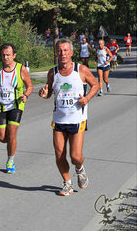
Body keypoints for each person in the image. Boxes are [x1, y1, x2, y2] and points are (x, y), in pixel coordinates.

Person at [38, 38, 99, 196]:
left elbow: (96, 85)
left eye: (66, 50)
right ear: (56, 52)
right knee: (59, 154)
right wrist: (44, 94)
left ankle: (80, 169)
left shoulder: (81, 70)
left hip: (77, 119)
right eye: (60, 50)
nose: (63, 53)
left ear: (71, 52)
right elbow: (49, 92)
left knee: (75, 156)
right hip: (59, 119)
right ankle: (67, 184)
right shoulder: (53, 72)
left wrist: (87, 98)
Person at [0, 44, 33, 174]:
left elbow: (29, 86)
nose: (5, 57)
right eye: (3, 55)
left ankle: (10, 161)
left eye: (8, 55)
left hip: (16, 105)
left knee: (12, 134)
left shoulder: (21, 69)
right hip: (1, 105)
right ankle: (11, 143)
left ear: (14, 55)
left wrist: (26, 95)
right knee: (2, 137)